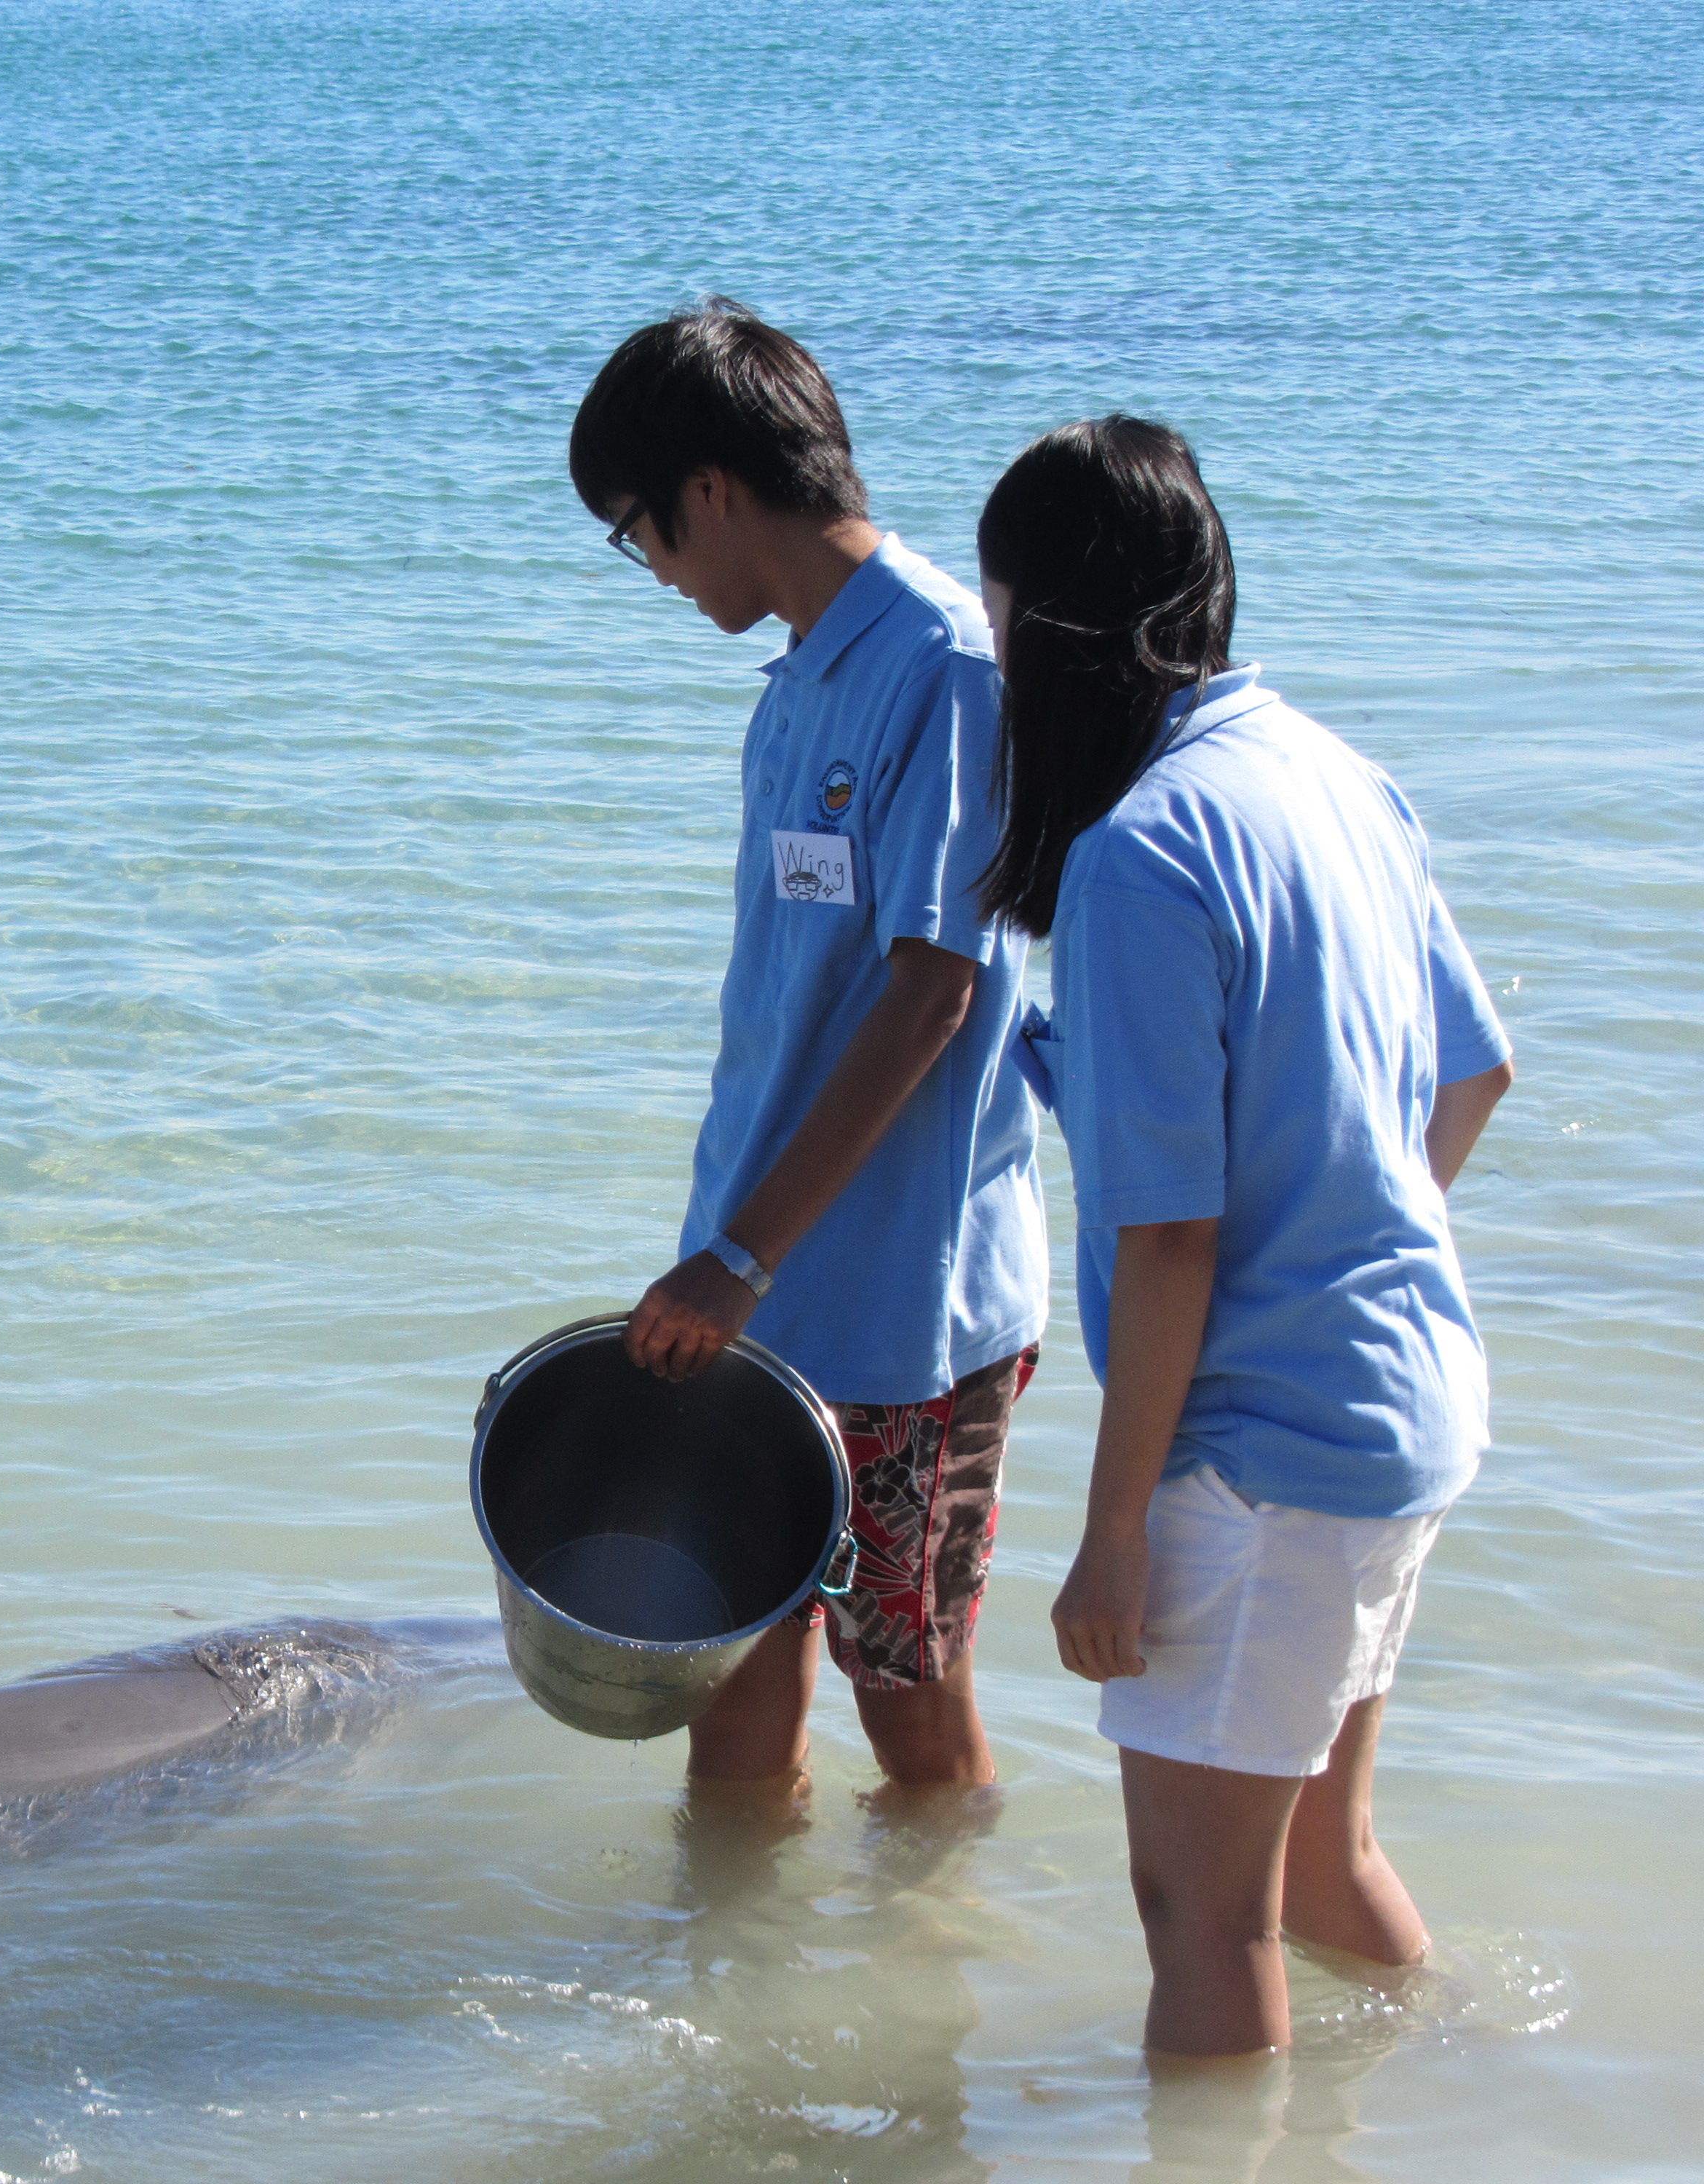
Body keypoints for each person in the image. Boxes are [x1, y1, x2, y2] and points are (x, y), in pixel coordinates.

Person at [978, 416, 1515, 2059]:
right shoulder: (1332, 772)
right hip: (1403, 1399)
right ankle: (1463, 2108)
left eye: (998, 620)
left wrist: (1114, 1528)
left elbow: (1170, 1244)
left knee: (1200, 1922)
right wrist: (1352, 1242)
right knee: (1320, 1861)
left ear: (1059, 631)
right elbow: (1474, 1073)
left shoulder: (1143, 855)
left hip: (1259, 1459)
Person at [568, 302, 1047, 1795]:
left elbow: (930, 996)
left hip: (898, 1307)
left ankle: (931, 2017)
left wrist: (741, 1258)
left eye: (637, 534)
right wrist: (725, 1257)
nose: (650, 571)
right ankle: (720, 2004)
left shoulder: (943, 673)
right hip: (756, 1289)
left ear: (709, 491)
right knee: (727, 1677)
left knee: (903, 1705)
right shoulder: (796, 679)